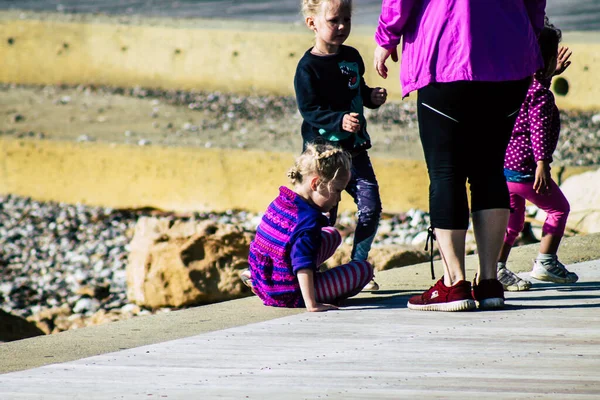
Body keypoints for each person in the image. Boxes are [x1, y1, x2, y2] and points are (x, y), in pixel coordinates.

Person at [373, 0, 546, 311]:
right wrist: (530, 32)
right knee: (491, 169)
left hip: (446, 52)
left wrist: (387, 36)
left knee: (446, 172)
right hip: (510, 52)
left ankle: (455, 284)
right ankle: (490, 282)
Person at [294, 0, 388, 292]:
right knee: (321, 216)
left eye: (346, 20)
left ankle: (359, 264)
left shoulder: (351, 56)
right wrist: (338, 121)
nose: (342, 27)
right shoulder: (308, 68)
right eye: (334, 20)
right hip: (324, 157)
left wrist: (371, 96)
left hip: (356, 151)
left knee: (371, 207)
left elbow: (356, 88)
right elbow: (310, 110)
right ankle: (311, 269)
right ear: (313, 23)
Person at [497, 18, 577, 291]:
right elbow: (538, 129)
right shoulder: (542, 96)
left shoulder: (516, 85)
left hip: (505, 168)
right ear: (545, 59)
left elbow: (529, 100)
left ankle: (496, 268)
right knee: (558, 209)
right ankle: (546, 261)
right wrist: (543, 163)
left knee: (513, 221)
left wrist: (549, 74)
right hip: (527, 169)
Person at [244, 143, 374, 311]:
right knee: (363, 269)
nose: (339, 199)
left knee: (332, 234)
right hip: (288, 293)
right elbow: (302, 262)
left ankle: (253, 276)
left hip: (263, 282)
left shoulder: (281, 202)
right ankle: (308, 291)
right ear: (316, 184)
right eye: (337, 190)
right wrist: (312, 304)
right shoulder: (307, 222)